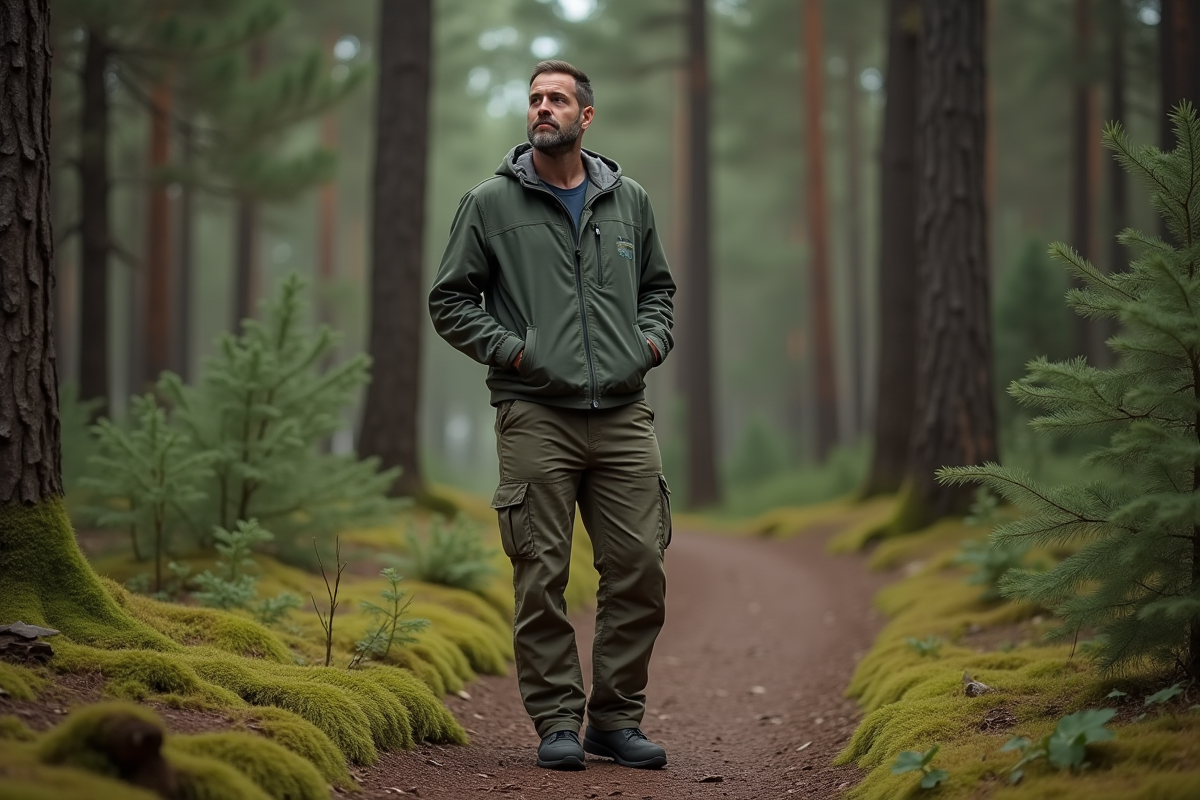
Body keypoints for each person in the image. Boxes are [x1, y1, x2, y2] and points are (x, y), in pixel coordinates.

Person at [428, 60, 676, 771]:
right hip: (535, 413)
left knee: (638, 570)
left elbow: (659, 288)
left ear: (586, 116)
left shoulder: (629, 200)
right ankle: (558, 722)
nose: (543, 108)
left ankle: (615, 720)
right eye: (535, 98)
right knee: (541, 574)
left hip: (625, 415)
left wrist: (649, 344)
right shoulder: (489, 204)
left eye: (557, 99)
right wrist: (516, 354)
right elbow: (449, 301)